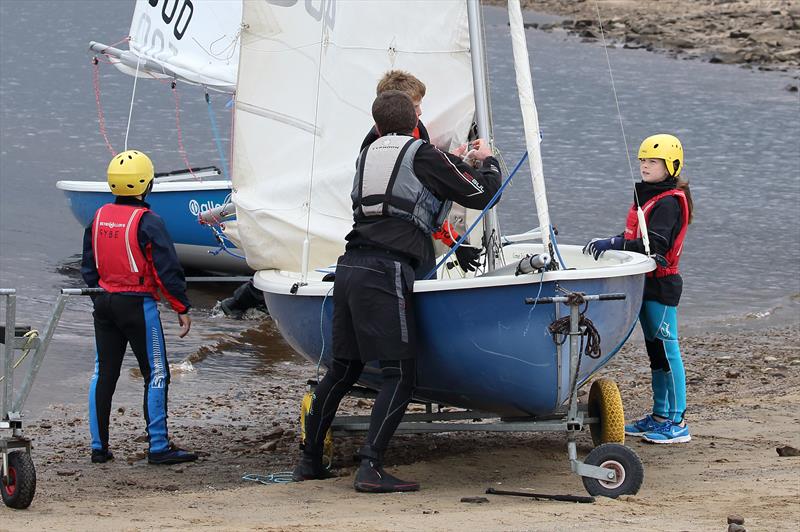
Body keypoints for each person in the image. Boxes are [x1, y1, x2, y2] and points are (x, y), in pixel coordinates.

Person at [292, 90, 502, 491]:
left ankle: (309, 462)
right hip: (385, 270)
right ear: (415, 122)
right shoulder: (424, 153)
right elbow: (483, 193)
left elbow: (405, 180)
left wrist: (455, 161)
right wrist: (487, 160)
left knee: (342, 371)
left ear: (377, 125)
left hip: (350, 266)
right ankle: (370, 467)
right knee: (401, 374)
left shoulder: (366, 153)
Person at [81, 150, 199, 465]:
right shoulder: (148, 221)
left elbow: (88, 267)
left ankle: (98, 448)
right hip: (137, 306)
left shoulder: (98, 217)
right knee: (156, 372)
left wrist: (101, 299)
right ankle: (158, 447)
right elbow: (166, 269)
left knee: (103, 373)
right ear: (147, 184)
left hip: (104, 303)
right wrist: (181, 307)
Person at [583, 133, 694, 444]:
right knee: (655, 353)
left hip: (662, 286)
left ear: (671, 166)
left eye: (653, 162)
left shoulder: (669, 202)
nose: (645, 166)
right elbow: (636, 235)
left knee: (668, 351)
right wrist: (614, 241)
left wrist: (615, 243)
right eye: (643, 160)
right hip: (645, 283)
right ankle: (659, 415)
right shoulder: (648, 196)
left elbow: (655, 245)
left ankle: (677, 422)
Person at [361, 70, 482, 277]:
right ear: (400, 108)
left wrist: (447, 161)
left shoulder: (412, 135)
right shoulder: (384, 149)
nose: (421, 112)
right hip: (403, 244)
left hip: (397, 241)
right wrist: (455, 241)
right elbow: (417, 204)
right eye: (416, 106)